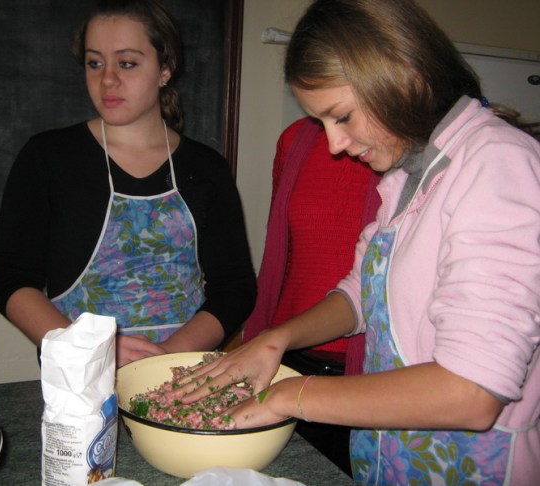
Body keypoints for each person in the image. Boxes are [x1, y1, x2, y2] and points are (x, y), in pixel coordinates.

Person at [172, 0, 540, 484]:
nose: (333, 145)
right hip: (391, 463)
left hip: (470, 468)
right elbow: (362, 293)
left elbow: (471, 392)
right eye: (322, 123)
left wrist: (290, 395)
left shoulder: (498, 164)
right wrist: (275, 340)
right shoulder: (407, 176)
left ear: (404, 79)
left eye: (342, 116)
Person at [0, 0, 256, 368]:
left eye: (127, 63)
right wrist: (91, 350)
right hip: (81, 374)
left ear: (165, 68)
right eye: (94, 63)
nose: (108, 80)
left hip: (184, 373)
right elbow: (11, 279)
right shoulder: (48, 158)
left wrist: (166, 357)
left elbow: (235, 286)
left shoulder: (207, 168)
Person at [244, 116, 380, 474]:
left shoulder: (404, 146)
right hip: (291, 361)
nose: (336, 142)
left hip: (372, 373)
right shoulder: (297, 139)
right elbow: (283, 253)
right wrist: (268, 338)